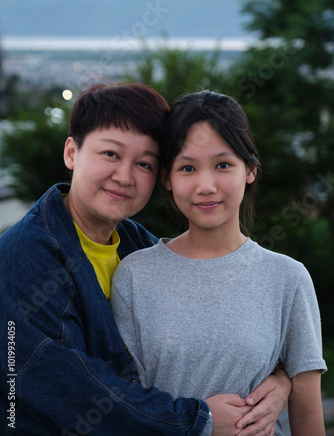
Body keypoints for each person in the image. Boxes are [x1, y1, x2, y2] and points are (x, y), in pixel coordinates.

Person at [0, 83, 290, 436]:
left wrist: (280, 381)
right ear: (72, 152)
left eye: (144, 163)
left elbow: (218, 326)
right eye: (110, 154)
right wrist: (198, 420)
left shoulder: (137, 245)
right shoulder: (23, 259)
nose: (124, 176)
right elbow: (74, 393)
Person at [111, 90, 327, 436]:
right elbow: (125, 405)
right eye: (187, 168)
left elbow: (307, 411)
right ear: (167, 178)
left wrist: (284, 381)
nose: (206, 185)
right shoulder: (135, 276)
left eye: (223, 165)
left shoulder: (288, 277)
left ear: (250, 170)